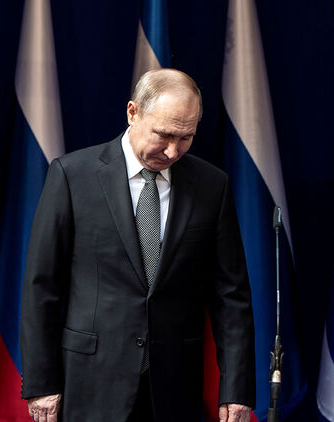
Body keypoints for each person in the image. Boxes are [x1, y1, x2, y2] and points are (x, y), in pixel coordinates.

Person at [20, 69, 255, 422]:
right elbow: (43, 287)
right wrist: (41, 382)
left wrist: (237, 389)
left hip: (174, 387)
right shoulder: (72, 175)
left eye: (186, 137)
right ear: (133, 113)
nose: (173, 151)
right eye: (164, 134)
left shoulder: (211, 186)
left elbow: (231, 296)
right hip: (90, 382)